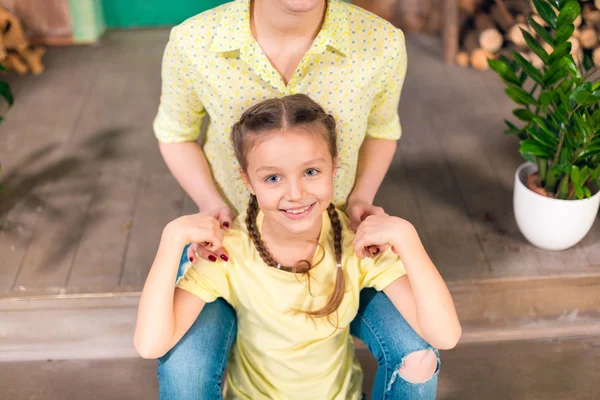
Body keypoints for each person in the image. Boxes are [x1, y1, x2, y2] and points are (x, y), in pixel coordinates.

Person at [153, 0, 439, 398]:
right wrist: (209, 205)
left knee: (417, 354)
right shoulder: (194, 41)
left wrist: (361, 198)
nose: (294, 189)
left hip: (339, 243)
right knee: (184, 371)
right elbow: (176, 132)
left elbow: (382, 128)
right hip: (229, 248)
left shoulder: (381, 42)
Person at [137, 94, 461, 400]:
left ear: (334, 168)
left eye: (310, 172)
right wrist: (171, 240)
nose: (295, 193)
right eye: (273, 178)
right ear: (248, 181)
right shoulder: (230, 250)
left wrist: (407, 237)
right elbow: (151, 344)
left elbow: (445, 336)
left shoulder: (355, 243)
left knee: (421, 359)